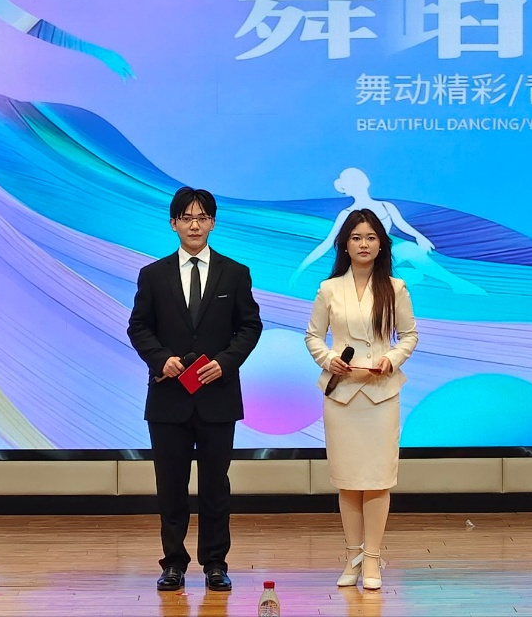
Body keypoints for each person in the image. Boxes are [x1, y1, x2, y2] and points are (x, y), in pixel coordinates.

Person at [127, 186, 263, 593]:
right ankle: (173, 563)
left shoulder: (234, 273)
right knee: (170, 487)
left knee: (215, 487)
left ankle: (215, 564)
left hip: (217, 398)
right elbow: (138, 326)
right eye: (186, 218)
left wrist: (225, 362)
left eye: (202, 217)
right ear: (173, 223)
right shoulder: (153, 275)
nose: (194, 225)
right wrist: (160, 359)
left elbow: (249, 326)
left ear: (213, 223)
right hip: (168, 398)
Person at [304, 208, 419, 591]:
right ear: (345, 244)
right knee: (349, 480)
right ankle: (352, 557)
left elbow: (409, 335)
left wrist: (391, 359)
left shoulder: (395, 288)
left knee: (377, 479)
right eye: (356, 238)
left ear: (381, 244)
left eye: (370, 237)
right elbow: (313, 336)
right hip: (342, 396)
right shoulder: (329, 289)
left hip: (381, 394)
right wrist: (328, 359)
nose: (364, 244)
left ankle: (372, 559)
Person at [291, 167, 483, 295]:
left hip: (385, 258)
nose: (357, 183)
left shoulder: (385, 206)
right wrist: (298, 271)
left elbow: (402, 225)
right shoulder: (347, 214)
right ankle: (396, 281)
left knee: (411, 252)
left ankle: (455, 284)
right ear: (346, 189)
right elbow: (327, 243)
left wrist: (420, 237)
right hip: (365, 263)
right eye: (351, 182)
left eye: (358, 179)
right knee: (411, 270)